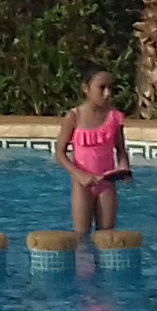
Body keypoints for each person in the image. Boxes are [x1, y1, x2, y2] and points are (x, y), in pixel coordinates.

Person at [52, 68, 131, 235]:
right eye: (101, 88)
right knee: (81, 235)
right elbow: (59, 153)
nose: (107, 93)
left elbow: (120, 150)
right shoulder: (74, 117)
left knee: (107, 235)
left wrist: (124, 167)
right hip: (82, 184)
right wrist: (79, 174)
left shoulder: (114, 118)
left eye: (110, 88)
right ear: (86, 89)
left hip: (106, 182)